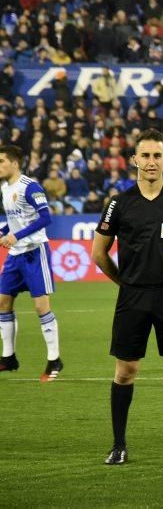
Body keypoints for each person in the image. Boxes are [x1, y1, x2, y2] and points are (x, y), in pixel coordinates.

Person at [92, 129, 163, 465]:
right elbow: (99, 253)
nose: (151, 162)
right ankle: (118, 445)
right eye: (145, 156)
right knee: (126, 370)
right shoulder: (119, 203)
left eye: (157, 156)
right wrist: (124, 281)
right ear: (134, 160)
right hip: (133, 297)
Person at [0, 145, 62, 381]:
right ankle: (8, 358)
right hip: (14, 255)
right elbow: (14, 221)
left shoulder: (30, 187)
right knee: (3, 303)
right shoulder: (5, 188)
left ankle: (55, 360)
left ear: (15, 163)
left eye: (2, 161)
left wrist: (15, 236)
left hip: (35, 253)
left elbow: (46, 217)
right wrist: (5, 231)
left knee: (41, 307)